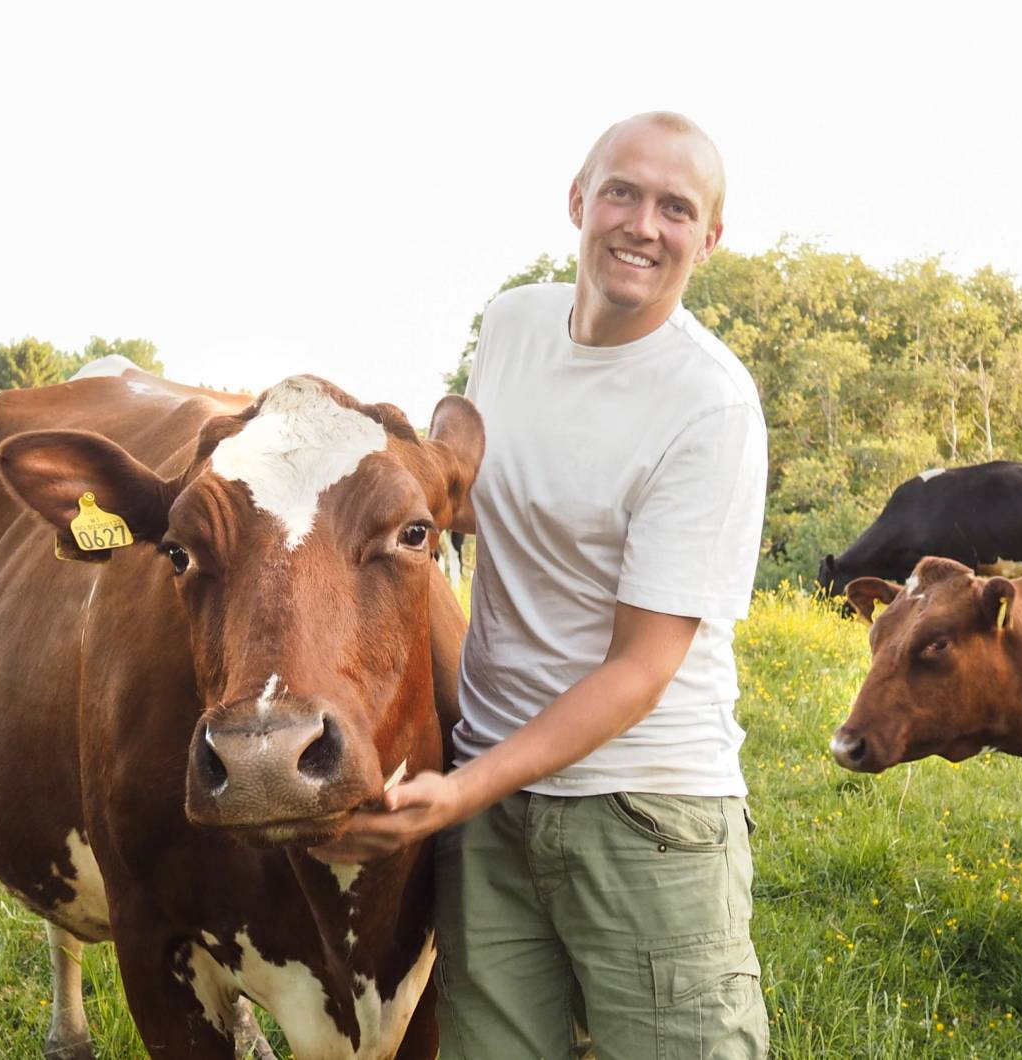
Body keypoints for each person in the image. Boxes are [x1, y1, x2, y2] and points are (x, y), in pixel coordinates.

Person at [319, 111, 769, 1058]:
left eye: (675, 208)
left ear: (709, 238)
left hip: (643, 811)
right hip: (496, 812)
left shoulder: (709, 407)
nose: (643, 224)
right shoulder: (515, 323)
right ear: (578, 200)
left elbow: (643, 668)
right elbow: (491, 502)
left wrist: (461, 790)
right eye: (622, 192)